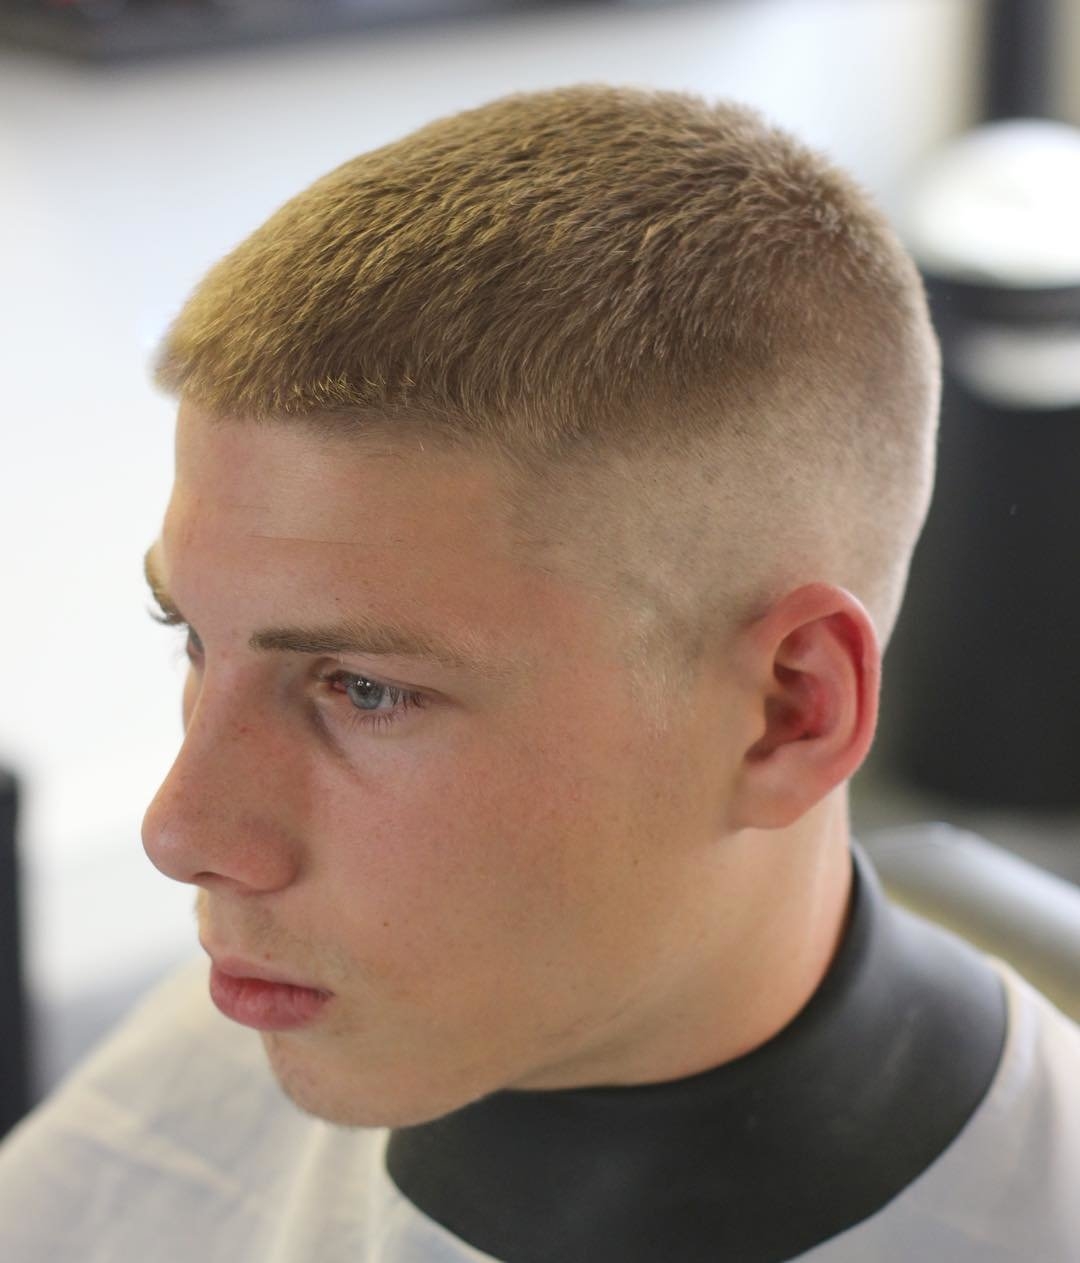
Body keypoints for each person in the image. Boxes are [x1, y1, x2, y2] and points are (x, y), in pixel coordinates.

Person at [1, 84, 1077, 1262]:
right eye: (193, 638)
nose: (181, 834)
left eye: (365, 689)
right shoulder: (242, 1032)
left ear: (790, 713)